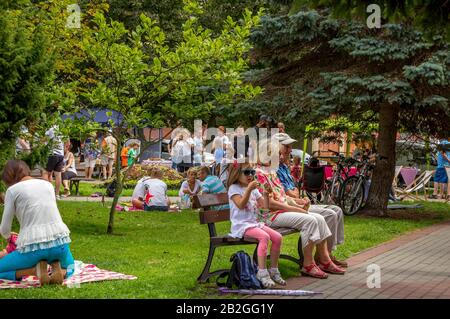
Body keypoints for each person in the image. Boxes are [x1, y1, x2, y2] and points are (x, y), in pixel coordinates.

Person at [255, 139, 346, 278]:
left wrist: (297, 204)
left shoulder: (270, 172)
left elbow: (282, 196)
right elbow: (269, 203)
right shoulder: (258, 173)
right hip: (268, 216)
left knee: (320, 218)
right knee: (309, 220)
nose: (280, 157)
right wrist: (293, 209)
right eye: (277, 154)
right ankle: (308, 265)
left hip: (279, 211)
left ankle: (325, 260)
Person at [274, 133, 347, 267]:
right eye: (287, 147)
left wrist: (296, 196)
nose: (290, 150)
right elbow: (289, 193)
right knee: (330, 214)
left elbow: (294, 190)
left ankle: (326, 254)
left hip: (293, 203)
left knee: (337, 210)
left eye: (290, 147)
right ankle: (322, 258)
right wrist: (295, 196)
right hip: (286, 206)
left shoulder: (284, 167)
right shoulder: (275, 168)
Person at [0, 160, 74, 285]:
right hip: (60, 245)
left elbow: (4, 229)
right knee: (71, 267)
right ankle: (61, 272)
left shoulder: (12, 191)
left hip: (33, 250)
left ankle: (35, 270)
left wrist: (9, 236)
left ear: (9, 177)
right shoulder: (48, 185)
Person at [227, 162, 286, 288]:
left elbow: (264, 207)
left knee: (277, 237)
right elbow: (241, 205)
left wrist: (265, 194)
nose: (250, 175)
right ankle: (262, 272)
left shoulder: (253, 189)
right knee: (264, 237)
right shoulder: (234, 188)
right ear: (237, 174)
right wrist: (249, 189)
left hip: (253, 224)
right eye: (246, 172)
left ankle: (274, 270)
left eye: (252, 172)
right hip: (241, 226)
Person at [42, 125, 65, 199]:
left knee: (45, 173)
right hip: (60, 155)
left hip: (52, 154)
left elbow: (44, 141)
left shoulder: (50, 130)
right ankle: (57, 195)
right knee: (58, 175)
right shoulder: (61, 131)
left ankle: (47, 194)